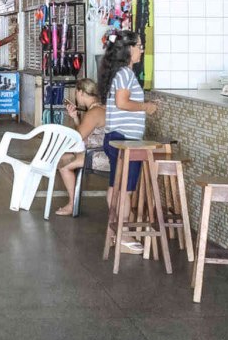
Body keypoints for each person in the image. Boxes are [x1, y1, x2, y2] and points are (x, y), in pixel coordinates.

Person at [99, 30, 157, 252]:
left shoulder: (119, 73)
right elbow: (123, 103)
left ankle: (115, 232)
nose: (141, 50)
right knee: (125, 191)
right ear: (128, 49)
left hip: (116, 138)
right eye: (139, 46)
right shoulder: (125, 73)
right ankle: (122, 237)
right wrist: (146, 107)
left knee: (116, 188)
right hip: (126, 141)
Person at [54, 78, 109, 216]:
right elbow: (84, 136)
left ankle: (73, 204)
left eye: (76, 93)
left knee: (63, 164)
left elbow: (78, 138)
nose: (76, 97)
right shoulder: (99, 108)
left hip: (101, 156)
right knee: (64, 158)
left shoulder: (94, 112)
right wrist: (75, 117)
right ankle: (73, 202)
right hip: (101, 152)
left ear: (81, 93)